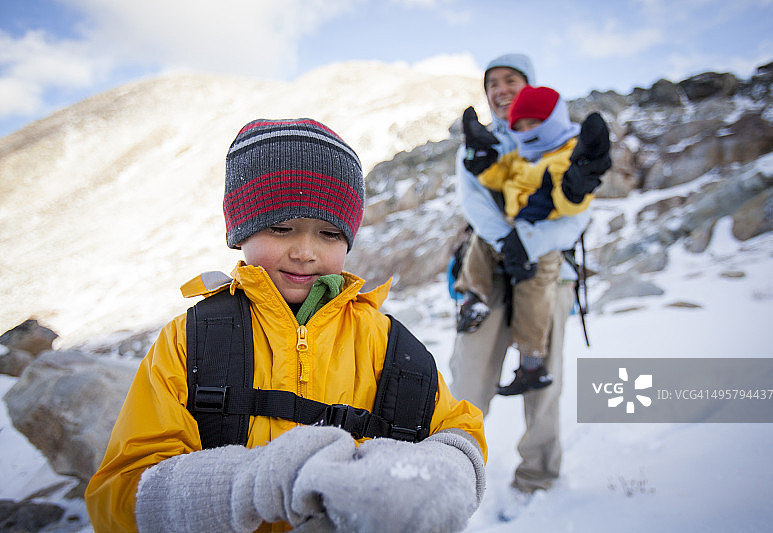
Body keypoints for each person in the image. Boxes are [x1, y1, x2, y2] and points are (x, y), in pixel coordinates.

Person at [85, 118, 487, 533]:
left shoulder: (389, 344)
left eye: (330, 233)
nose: (305, 252)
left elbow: (458, 431)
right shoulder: (191, 340)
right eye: (281, 227)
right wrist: (248, 485)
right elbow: (121, 495)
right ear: (240, 229)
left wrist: (444, 469)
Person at [448, 54, 610, 521]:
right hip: (491, 275)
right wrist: (508, 244)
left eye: (511, 80)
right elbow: (475, 205)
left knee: (543, 379)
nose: (501, 89)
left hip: (546, 272)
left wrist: (529, 243)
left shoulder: (565, 140)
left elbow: (578, 214)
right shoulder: (475, 146)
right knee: (469, 379)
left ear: (530, 86)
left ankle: (538, 474)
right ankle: (453, 463)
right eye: (492, 83)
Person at [455, 84, 606, 396]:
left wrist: (578, 186)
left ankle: (532, 363)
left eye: (533, 124)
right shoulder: (520, 155)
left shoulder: (567, 155)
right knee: (479, 247)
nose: (526, 131)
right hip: (509, 232)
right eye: (520, 126)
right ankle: (473, 299)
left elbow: (571, 208)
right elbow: (499, 177)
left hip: (543, 242)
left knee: (534, 292)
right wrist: (482, 164)